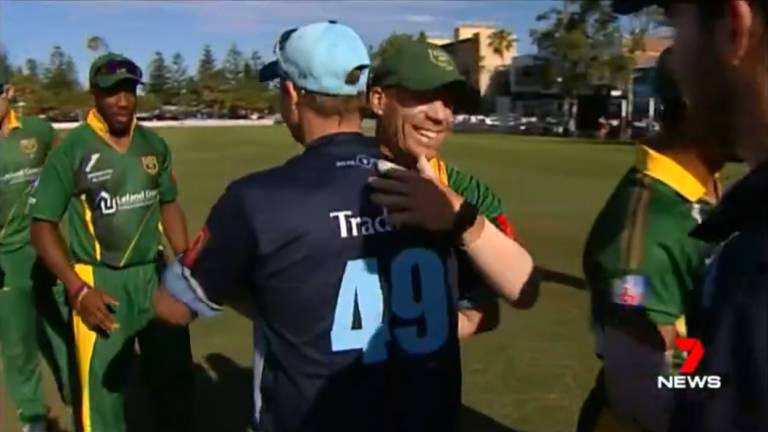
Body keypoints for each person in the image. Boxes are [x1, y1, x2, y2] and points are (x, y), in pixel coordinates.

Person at [153, 21, 533, 432]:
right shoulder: (434, 195)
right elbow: (487, 308)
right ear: (365, 96)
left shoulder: (256, 200)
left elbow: (171, 307)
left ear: (293, 94)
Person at [616, 0, 768, 430]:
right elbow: (640, 372)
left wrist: (697, 379)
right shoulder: (654, 215)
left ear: (733, 31)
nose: (675, 57)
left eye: (673, 28)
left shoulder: (752, 263)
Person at [28, 53, 194, 432]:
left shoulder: (153, 144)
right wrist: (77, 289)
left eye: (129, 90)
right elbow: (41, 227)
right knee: (102, 401)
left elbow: (169, 203)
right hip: (98, 282)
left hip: (155, 276)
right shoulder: (71, 151)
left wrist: (183, 264)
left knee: (175, 384)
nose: (122, 100)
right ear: (94, 95)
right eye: (111, 92)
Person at [577, 45, 725, 432]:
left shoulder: (706, 187)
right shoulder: (643, 234)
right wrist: (735, 389)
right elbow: (644, 393)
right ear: (696, 102)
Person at [366, 38, 538, 339]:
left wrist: (459, 219)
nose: (441, 115)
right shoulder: (335, 175)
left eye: (449, 102)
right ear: (379, 100)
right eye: (423, 95)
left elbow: (513, 297)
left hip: (426, 384)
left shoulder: (468, 193)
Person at [0, 81, 72, 432]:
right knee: (17, 342)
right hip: (6, 259)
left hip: (49, 248)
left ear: (8, 92)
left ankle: (76, 392)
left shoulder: (36, 131)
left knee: (64, 326)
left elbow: (67, 161)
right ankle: (33, 416)